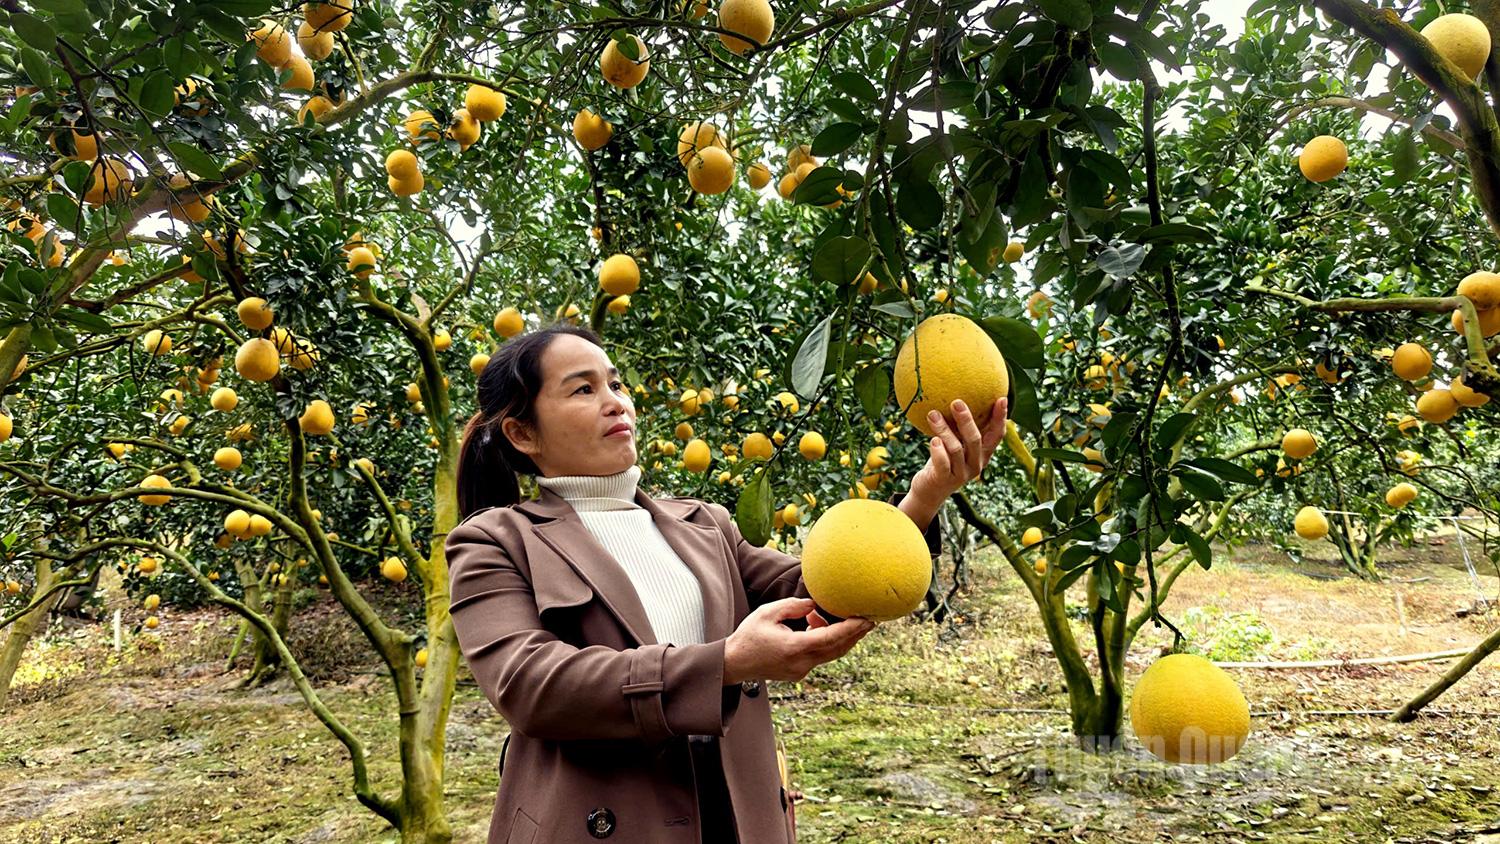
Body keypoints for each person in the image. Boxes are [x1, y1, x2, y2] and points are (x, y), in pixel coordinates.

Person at [446, 324, 1007, 843]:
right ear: (523, 432)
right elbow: (532, 686)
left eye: (615, 382)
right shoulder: (496, 540)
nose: (616, 400)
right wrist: (727, 663)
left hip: (737, 816)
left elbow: (829, 590)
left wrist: (928, 492)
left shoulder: (703, 523)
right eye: (583, 390)